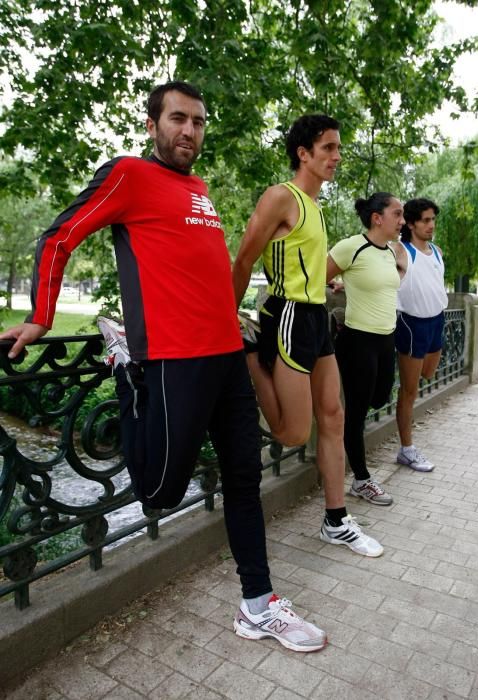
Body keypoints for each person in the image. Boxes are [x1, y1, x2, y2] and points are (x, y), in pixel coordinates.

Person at [0, 81, 328, 653]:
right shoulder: (128, 174)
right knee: (158, 490)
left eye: (198, 122)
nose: (190, 131)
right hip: (175, 358)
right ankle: (126, 368)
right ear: (153, 124)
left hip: (227, 352)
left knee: (245, 479)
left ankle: (259, 603)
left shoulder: (199, 190)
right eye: (178, 119)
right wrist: (42, 315)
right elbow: (60, 236)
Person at [233, 114, 383, 557]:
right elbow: (244, 260)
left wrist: (323, 284)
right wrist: (226, 315)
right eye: (329, 148)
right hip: (288, 317)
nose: (337, 156)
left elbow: (300, 262)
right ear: (304, 153)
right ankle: (245, 352)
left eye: (338, 148)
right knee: (294, 433)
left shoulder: (314, 207)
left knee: (333, 416)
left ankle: (336, 521)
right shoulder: (282, 196)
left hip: (316, 316)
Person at [326, 193, 404, 506]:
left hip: (387, 339)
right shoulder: (350, 246)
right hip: (358, 341)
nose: (402, 220)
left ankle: (358, 470)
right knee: (355, 414)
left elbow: (384, 281)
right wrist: (334, 286)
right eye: (397, 214)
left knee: (383, 396)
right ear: (377, 218)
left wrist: (349, 283)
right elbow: (317, 278)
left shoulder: (389, 252)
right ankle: (361, 479)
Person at [393, 198, 447, 471]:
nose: (431, 225)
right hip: (411, 324)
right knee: (409, 390)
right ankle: (407, 449)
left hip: (437, 321)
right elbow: (375, 272)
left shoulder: (436, 251)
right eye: (426, 220)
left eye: (433, 220)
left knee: (428, 374)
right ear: (411, 223)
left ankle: (407, 444)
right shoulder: (401, 250)